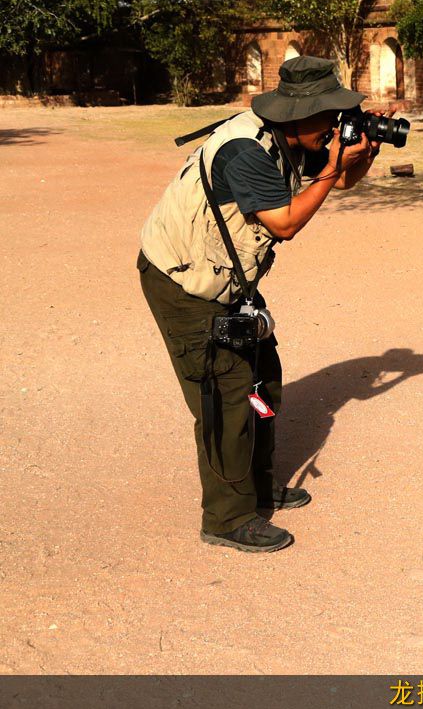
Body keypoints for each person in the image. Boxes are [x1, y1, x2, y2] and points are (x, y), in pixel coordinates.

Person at [138, 55, 382, 552]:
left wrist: (360, 155)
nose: (334, 124)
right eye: (328, 115)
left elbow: (337, 181)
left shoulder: (290, 138)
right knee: (226, 395)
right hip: (186, 283)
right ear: (299, 114)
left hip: (228, 280)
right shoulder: (245, 152)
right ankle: (227, 518)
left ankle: (260, 486)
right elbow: (285, 223)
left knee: (263, 379)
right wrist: (333, 165)